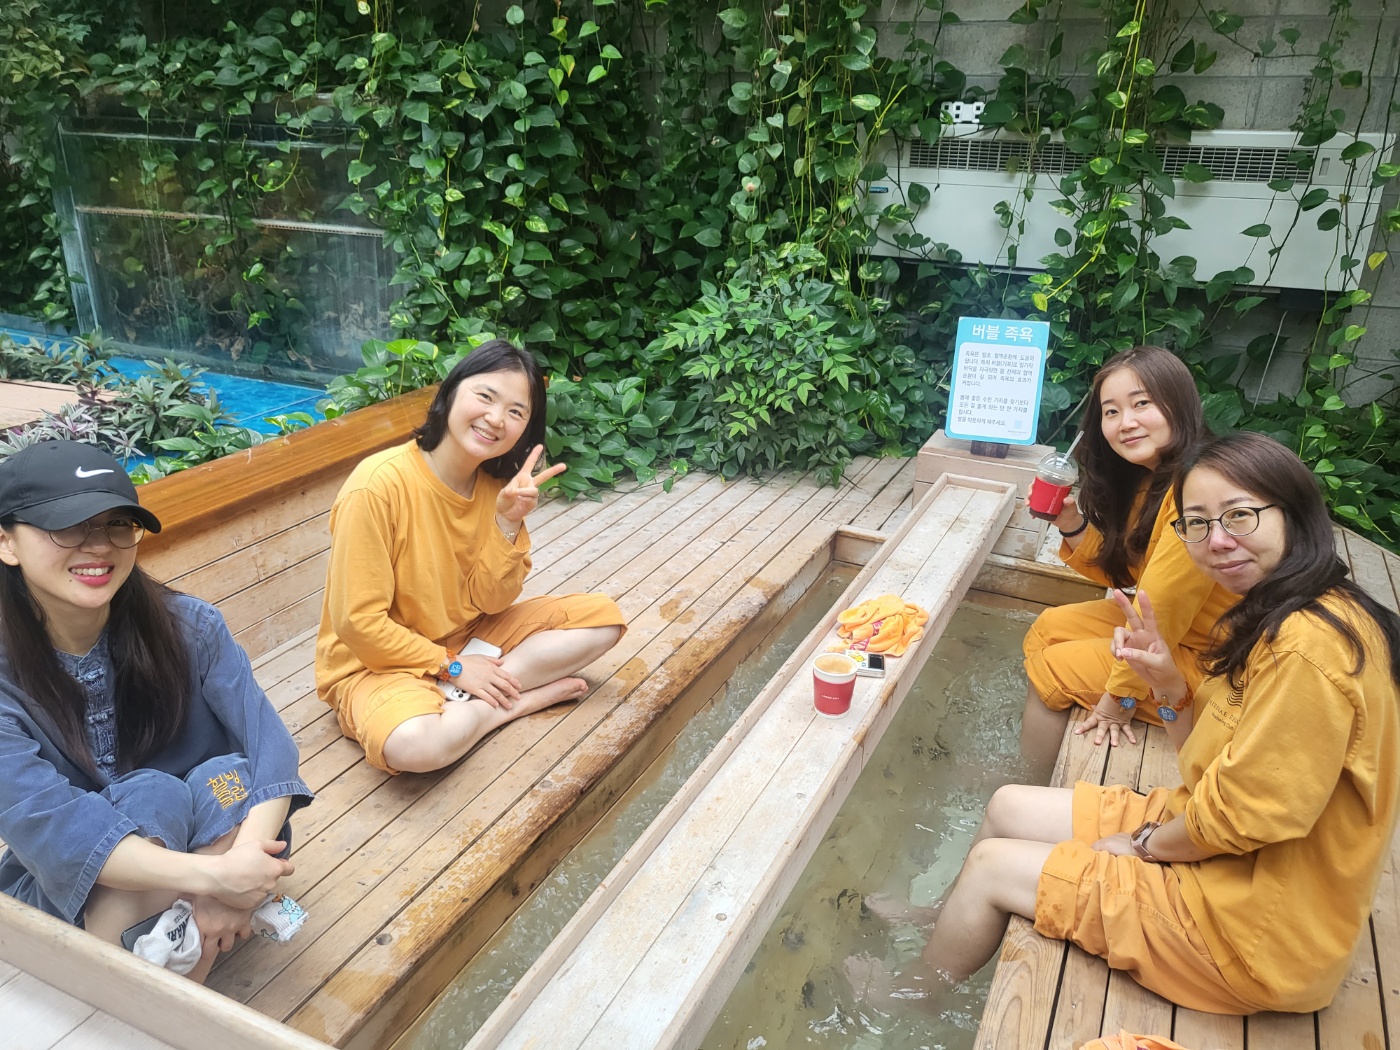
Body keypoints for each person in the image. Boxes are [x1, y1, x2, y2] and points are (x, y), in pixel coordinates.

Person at [879, 432, 1400, 1015]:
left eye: (1240, 515)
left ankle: (908, 999)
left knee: (990, 868)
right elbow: (1210, 771)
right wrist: (1169, 688)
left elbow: (1239, 818)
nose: (1217, 541)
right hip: (1221, 847)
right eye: (1197, 523)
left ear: (1296, 512)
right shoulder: (1291, 610)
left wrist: (1144, 844)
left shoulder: (1307, 650)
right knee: (1006, 806)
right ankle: (947, 920)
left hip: (1251, 932)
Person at [0, 440, 311, 982]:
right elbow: (57, 829)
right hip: (74, 892)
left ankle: (176, 962)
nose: (100, 545)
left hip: (220, 837)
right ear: (6, 541)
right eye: (67, 526)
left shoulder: (189, 627)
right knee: (154, 792)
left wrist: (238, 868)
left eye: (117, 524)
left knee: (231, 779)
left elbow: (271, 751)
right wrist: (217, 880)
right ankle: (159, 990)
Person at [317, 339, 626, 775]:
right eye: (485, 396)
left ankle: (470, 700)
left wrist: (507, 523)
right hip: (377, 662)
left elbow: (492, 601)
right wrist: (454, 667)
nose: (496, 419)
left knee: (603, 622)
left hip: (469, 639)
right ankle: (502, 707)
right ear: (450, 393)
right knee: (415, 746)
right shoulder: (378, 485)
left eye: (516, 412)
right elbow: (358, 624)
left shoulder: (496, 487)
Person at [1021, 346, 1236, 776]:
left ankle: (1026, 783)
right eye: (1111, 411)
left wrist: (1120, 697)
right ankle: (1037, 741)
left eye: (1142, 404)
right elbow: (1133, 575)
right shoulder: (1154, 480)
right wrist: (1071, 524)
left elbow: (1163, 609)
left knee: (1052, 670)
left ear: (1179, 403)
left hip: (1220, 660)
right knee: (1048, 627)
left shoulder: (1199, 492)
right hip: (1181, 634)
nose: (1126, 423)